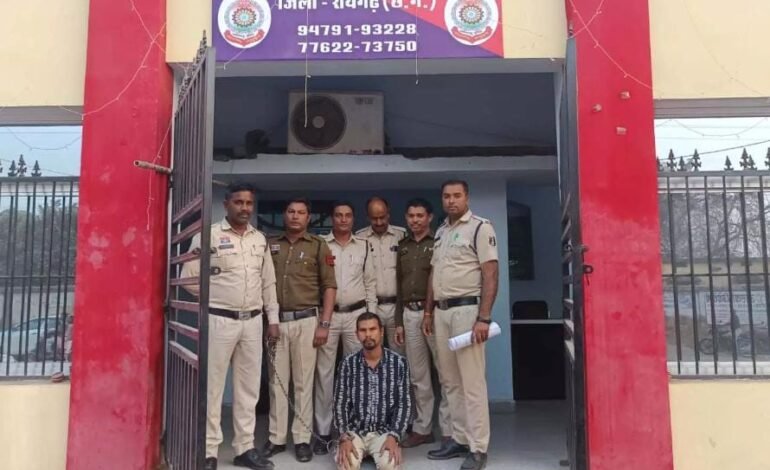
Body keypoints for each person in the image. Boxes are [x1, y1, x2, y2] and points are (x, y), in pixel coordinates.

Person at [181, 183, 278, 470]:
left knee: (248, 390)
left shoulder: (259, 239)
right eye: (239, 202)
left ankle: (244, 448)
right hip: (220, 320)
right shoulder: (207, 235)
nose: (244, 208)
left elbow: (268, 282)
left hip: (252, 322)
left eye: (249, 203)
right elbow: (189, 278)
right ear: (226, 204)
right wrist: (218, 297)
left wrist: (272, 319)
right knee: (212, 388)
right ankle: (209, 451)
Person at [423, 180, 499, 470]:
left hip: (467, 312)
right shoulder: (441, 231)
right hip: (441, 313)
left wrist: (484, 317)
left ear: (467, 197)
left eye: (457, 196)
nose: (451, 201)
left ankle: (478, 448)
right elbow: (434, 275)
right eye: (446, 196)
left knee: (472, 383)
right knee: (450, 382)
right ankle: (459, 439)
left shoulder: (480, 228)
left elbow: (490, 274)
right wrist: (428, 312)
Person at [262, 198, 337, 463]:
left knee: (304, 383)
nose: (295, 216)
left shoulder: (318, 245)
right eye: (291, 211)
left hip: (307, 322)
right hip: (276, 322)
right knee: (277, 383)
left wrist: (324, 324)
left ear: (308, 217)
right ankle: (276, 438)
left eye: (301, 212)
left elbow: (329, 286)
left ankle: (302, 439)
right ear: (284, 215)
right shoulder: (270, 244)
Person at [314, 201, 378, 455]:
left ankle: (356, 429)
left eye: (348, 215)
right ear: (332, 218)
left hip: (356, 316)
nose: (343, 219)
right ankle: (323, 432)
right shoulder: (321, 244)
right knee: (324, 374)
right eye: (338, 215)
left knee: (358, 372)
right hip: (328, 316)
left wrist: (371, 318)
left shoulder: (364, 245)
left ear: (353, 219)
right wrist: (321, 318)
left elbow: (370, 283)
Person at [393, 198, 452, 448]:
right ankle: (423, 428)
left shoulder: (439, 242)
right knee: (418, 376)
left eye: (420, 215)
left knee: (446, 372)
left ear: (429, 217)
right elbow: (398, 285)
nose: (415, 220)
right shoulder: (403, 247)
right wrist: (398, 321)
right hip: (409, 313)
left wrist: (429, 312)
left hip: (435, 314)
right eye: (411, 216)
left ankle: (449, 431)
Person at [334, 312, 413, 470]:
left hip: (384, 433)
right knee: (347, 464)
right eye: (363, 330)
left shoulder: (398, 364)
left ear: (381, 331)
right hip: (355, 432)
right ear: (357, 334)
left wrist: (394, 436)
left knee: (389, 465)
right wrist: (344, 437)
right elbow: (340, 403)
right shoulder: (347, 364)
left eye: (372, 329)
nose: (368, 334)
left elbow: (404, 404)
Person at [356, 197, 407, 355]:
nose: (379, 222)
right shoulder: (360, 238)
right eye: (374, 218)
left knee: (399, 352)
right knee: (371, 351)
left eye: (382, 217)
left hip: (396, 307)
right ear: (367, 217)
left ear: (388, 214)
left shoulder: (402, 235)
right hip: (372, 306)